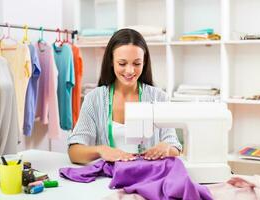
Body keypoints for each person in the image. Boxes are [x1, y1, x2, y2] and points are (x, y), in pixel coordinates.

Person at [67, 28, 182, 164]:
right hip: (107, 181)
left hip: (148, 178)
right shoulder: (94, 99)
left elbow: (175, 146)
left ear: (144, 62)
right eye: (122, 63)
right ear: (111, 61)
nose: (130, 70)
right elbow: (74, 152)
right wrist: (101, 150)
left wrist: (167, 147)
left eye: (137, 63)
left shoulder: (159, 98)